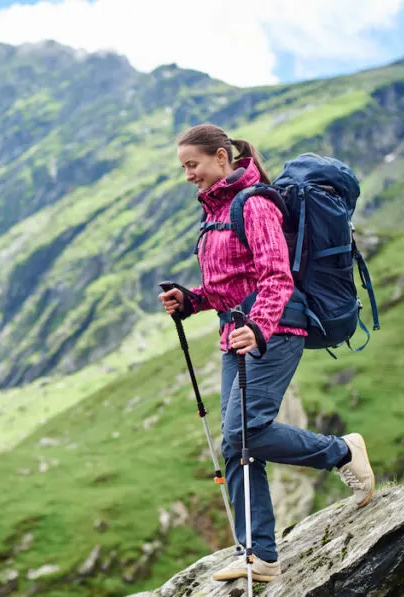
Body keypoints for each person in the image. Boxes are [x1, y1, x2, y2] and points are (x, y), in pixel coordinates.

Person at [157, 123, 375, 584]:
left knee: (248, 432)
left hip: (273, 330)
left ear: (221, 157)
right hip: (237, 335)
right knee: (236, 444)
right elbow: (228, 285)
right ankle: (261, 555)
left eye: (192, 165)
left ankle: (342, 452)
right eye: (183, 168)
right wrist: (191, 299)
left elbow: (276, 276)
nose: (188, 175)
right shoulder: (216, 210)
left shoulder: (254, 203)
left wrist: (259, 326)